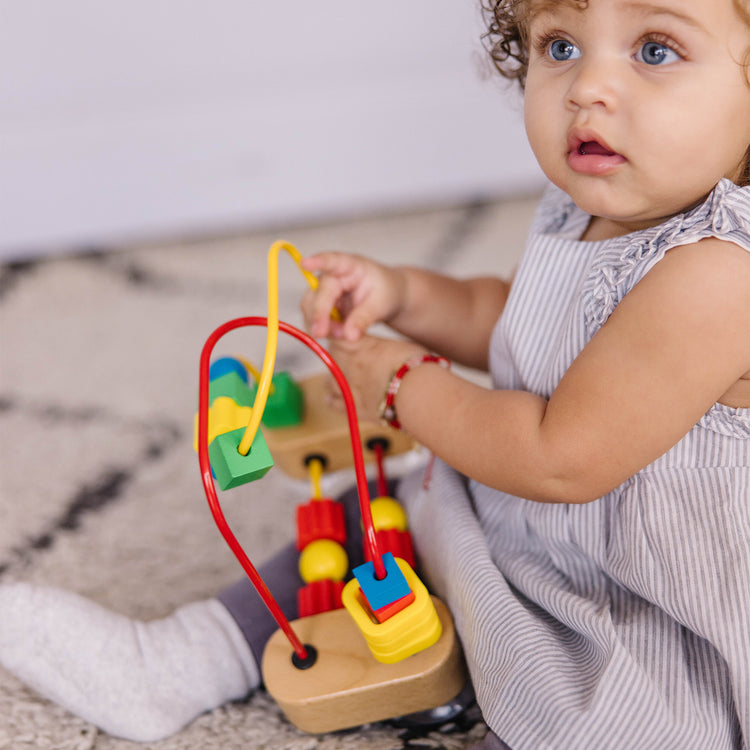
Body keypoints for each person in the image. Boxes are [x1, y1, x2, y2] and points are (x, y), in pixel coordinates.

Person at [2, 0, 750, 747]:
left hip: (633, 608)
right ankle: (183, 658)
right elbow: (521, 321)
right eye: (559, 45)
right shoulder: (586, 205)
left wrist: (402, 383)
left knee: (588, 725)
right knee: (367, 519)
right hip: (533, 530)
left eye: (654, 50)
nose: (587, 87)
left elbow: (559, 457)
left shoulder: (717, 276)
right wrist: (404, 294)